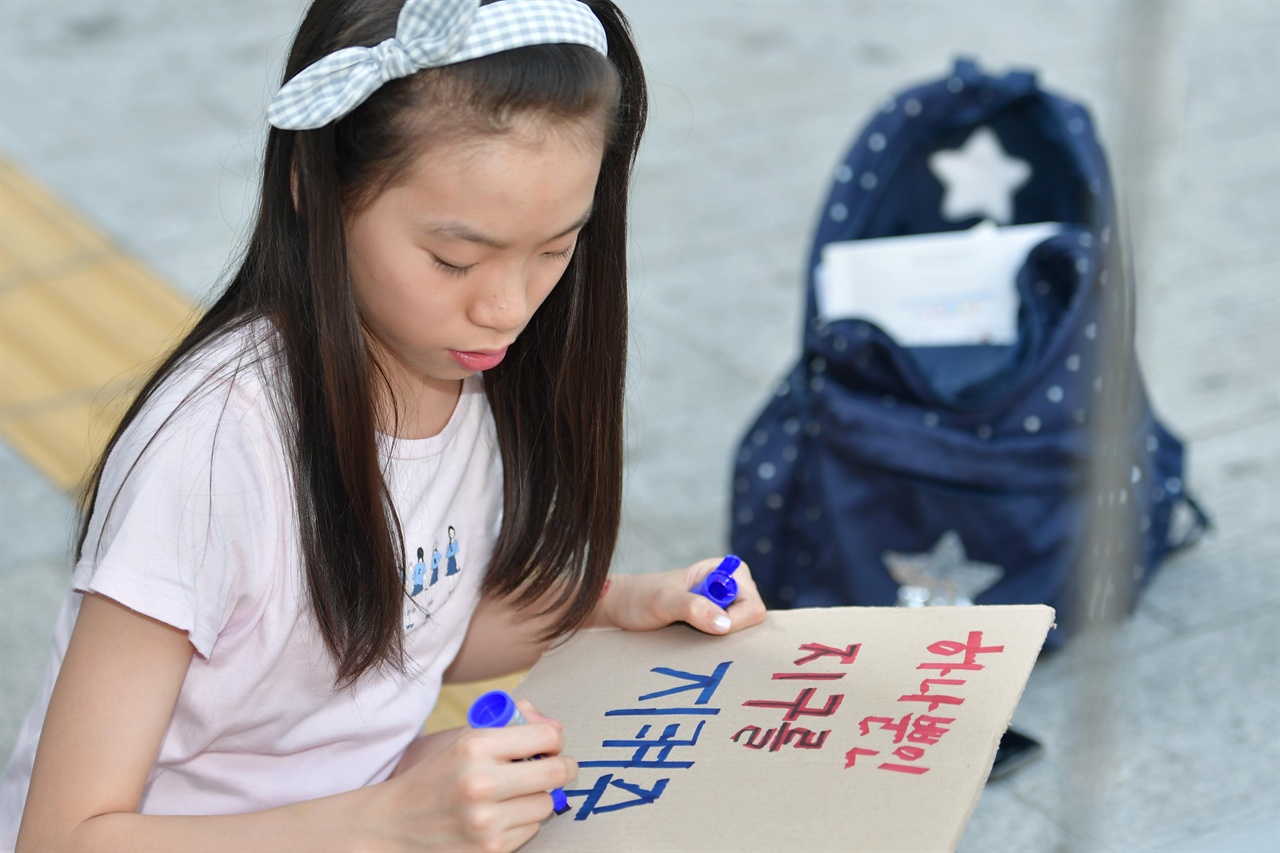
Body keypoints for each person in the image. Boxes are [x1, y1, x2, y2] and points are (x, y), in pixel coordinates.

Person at [0, 1, 766, 850]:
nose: (507, 307)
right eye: (455, 259)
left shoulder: (457, 367)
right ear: (316, 191)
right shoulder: (214, 452)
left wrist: (620, 605)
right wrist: (389, 822)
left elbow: (409, 631)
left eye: (555, 248)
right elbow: (61, 834)